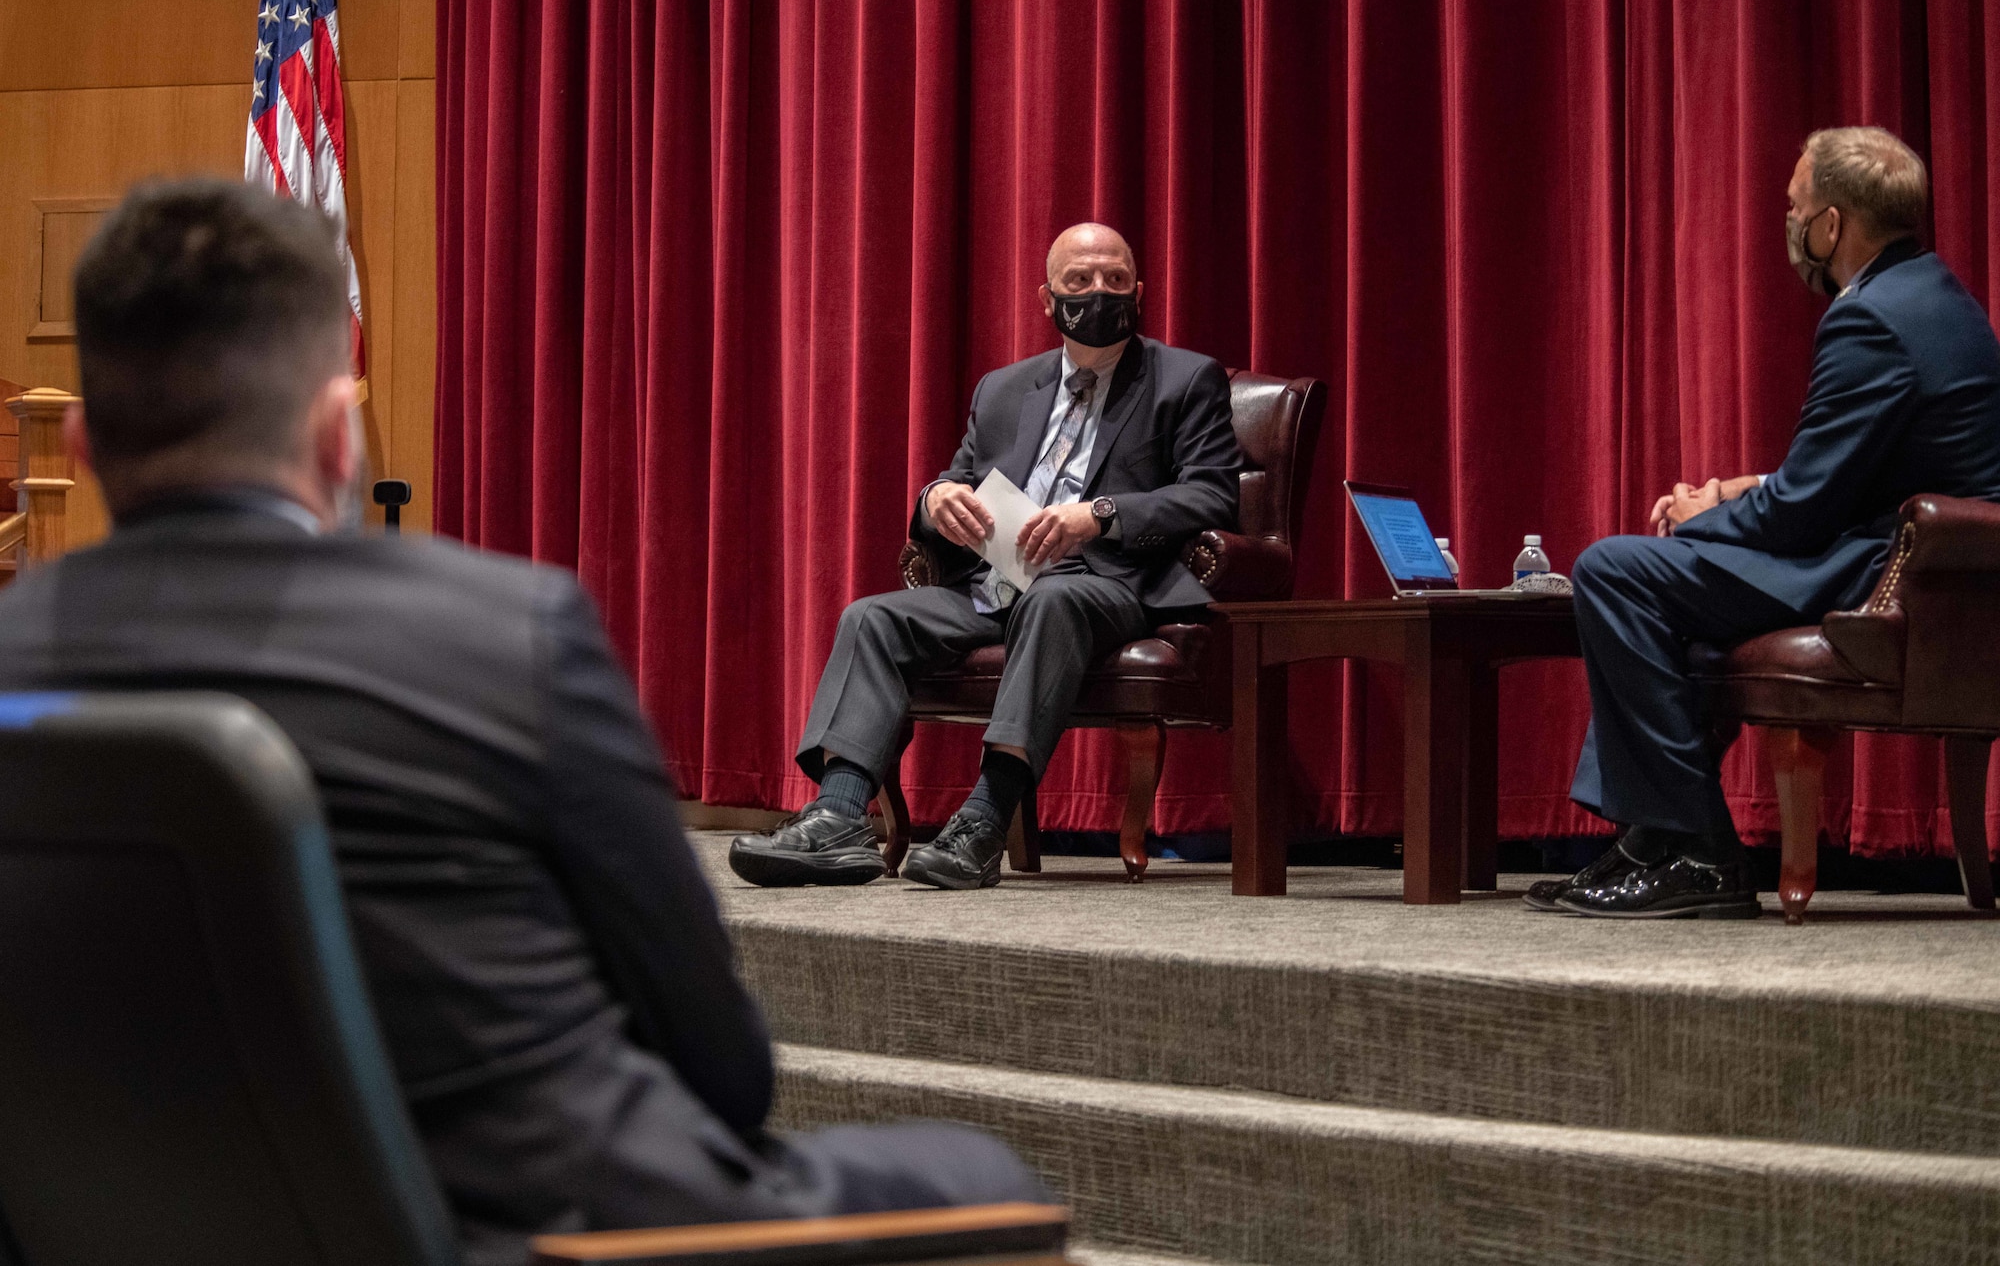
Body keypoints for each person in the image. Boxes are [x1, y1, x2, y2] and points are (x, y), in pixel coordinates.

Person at [0, 179, 1046, 1265]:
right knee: (982, 1183)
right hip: (547, 1231)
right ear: (331, 432)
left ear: (80, 441)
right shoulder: (508, 638)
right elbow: (718, 1064)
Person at [1534, 127, 2000, 919]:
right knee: (1664, 600)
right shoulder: (1936, 296)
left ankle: (1699, 849)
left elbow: (1798, 513)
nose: (1787, 221)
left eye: (1795, 206)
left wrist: (1694, 519)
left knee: (1614, 570)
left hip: (1886, 574)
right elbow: (1858, 469)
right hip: (1926, 560)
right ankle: (1656, 836)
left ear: (1832, 225)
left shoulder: (1872, 321)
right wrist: (1734, 494)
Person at [729, 224, 1242, 892]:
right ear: (1047, 298)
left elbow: (1212, 494)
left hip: (1106, 585)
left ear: (1139, 291)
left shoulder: (1184, 378)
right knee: (872, 618)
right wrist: (936, 498)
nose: (1099, 292)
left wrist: (1102, 515)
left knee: (1055, 600)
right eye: (1080, 281)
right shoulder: (1004, 389)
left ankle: (983, 821)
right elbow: (957, 479)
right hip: (998, 583)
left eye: (1115, 280)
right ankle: (839, 817)